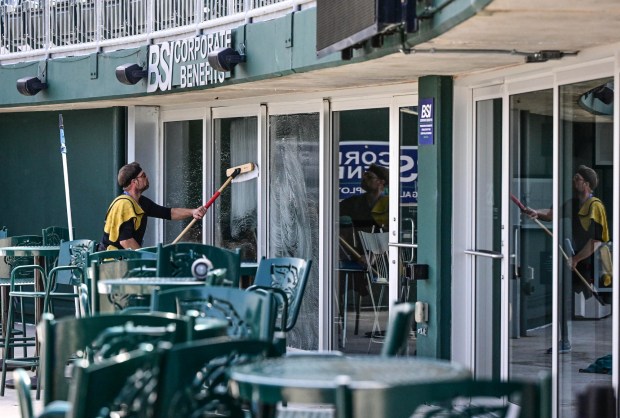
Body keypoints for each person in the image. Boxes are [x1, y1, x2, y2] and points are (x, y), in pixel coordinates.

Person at [525, 165, 609, 353]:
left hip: (594, 262)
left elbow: (597, 240)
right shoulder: (572, 203)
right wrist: (535, 212)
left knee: (606, 299)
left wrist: (576, 259)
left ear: (586, 184)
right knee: (562, 297)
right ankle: (564, 340)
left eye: (577, 179)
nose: (574, 181)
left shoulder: (596, 207)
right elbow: (551, 214)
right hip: (575, 258)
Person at [100, 162, 207, 250]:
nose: (147, 178)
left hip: (124, 260)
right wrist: (147, 259)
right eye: (143, 176)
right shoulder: (124, 205)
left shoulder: (141, 202)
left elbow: (169, 213)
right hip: (111, 264)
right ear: (134, 182)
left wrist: (193, 212)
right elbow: (126, 241)